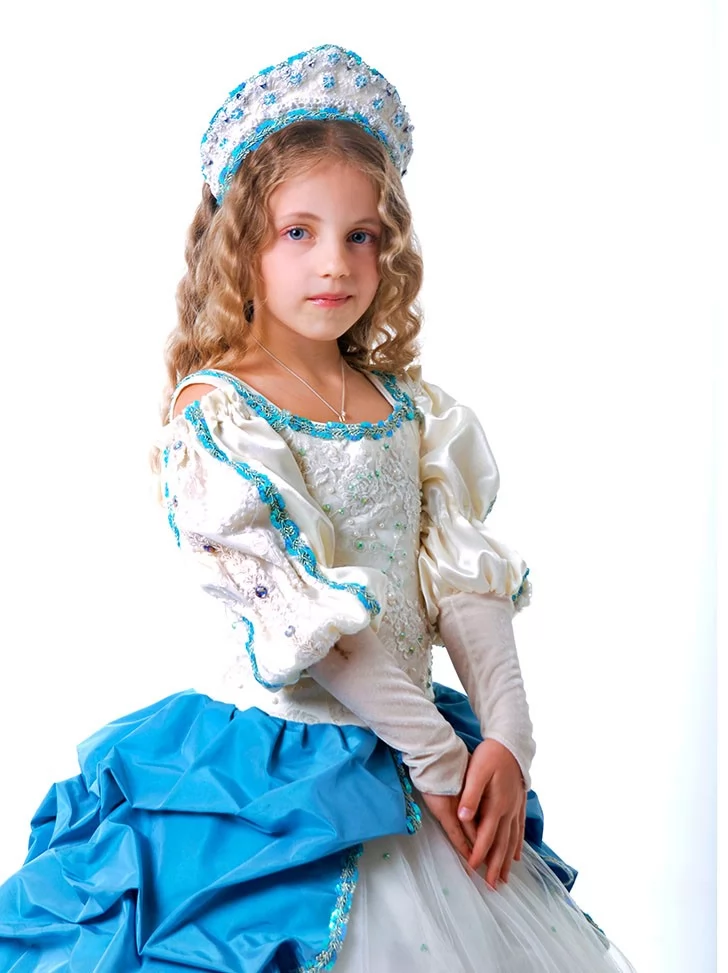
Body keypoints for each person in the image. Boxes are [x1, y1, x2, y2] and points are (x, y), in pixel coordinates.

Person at [0, 43, 636, 972]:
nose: (334, 264)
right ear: (239, 243)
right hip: (282, 765)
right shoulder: (221, 417)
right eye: (298, 231)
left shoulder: (417, 413)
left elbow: (464, 583)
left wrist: (508, 736)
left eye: (361, 235)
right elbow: (311, 627)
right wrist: (439, 761)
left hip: (426, 749)